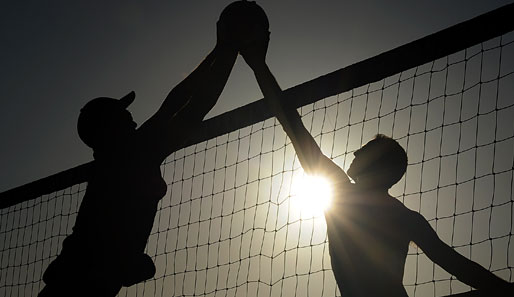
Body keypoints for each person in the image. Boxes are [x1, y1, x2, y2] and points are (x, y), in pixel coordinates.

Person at [239, 27, 511, 297]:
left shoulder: (345, 195)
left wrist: (258, 65)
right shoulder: (399, 215)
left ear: (379, 167)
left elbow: (291, 123)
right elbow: (457, 265)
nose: (356, 152)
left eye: (366, 150)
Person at [38, 17, 239, 297]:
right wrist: (228, 50)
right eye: (123, 114)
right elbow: (196, 105)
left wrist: (221, 50)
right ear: (109, 127)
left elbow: (173, 104)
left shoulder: (116, 158)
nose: (131, 117)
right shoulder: (133, 154)